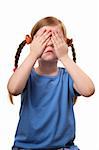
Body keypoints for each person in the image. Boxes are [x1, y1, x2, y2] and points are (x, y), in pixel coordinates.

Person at [7, 16, 95, 150]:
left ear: (65, 43)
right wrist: (33, 54)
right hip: (26, 148)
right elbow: (13, 89)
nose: (49, 43)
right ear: (31, 43)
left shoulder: (68, 77)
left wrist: (64, 56)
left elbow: (88, 90)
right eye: (43, 38)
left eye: (55, 38)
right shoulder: (26, 75)